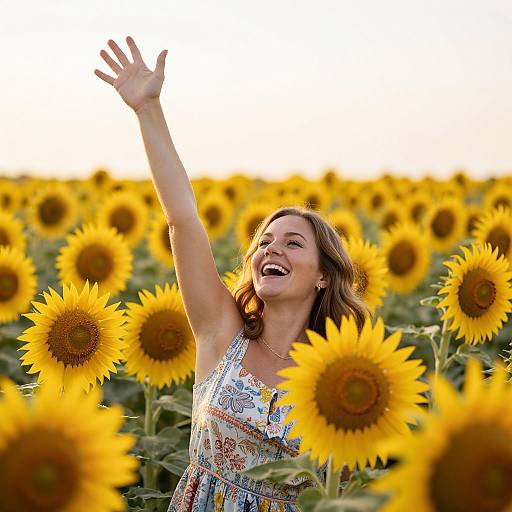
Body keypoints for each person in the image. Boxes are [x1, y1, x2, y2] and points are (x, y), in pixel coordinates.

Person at [94, 36, 369, 512]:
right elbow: (182, 218)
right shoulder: (222, 334)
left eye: (292, 242)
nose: (271, 249)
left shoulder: (340, 379)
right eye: (264, 241)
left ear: (323, 276)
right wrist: (147, 110)